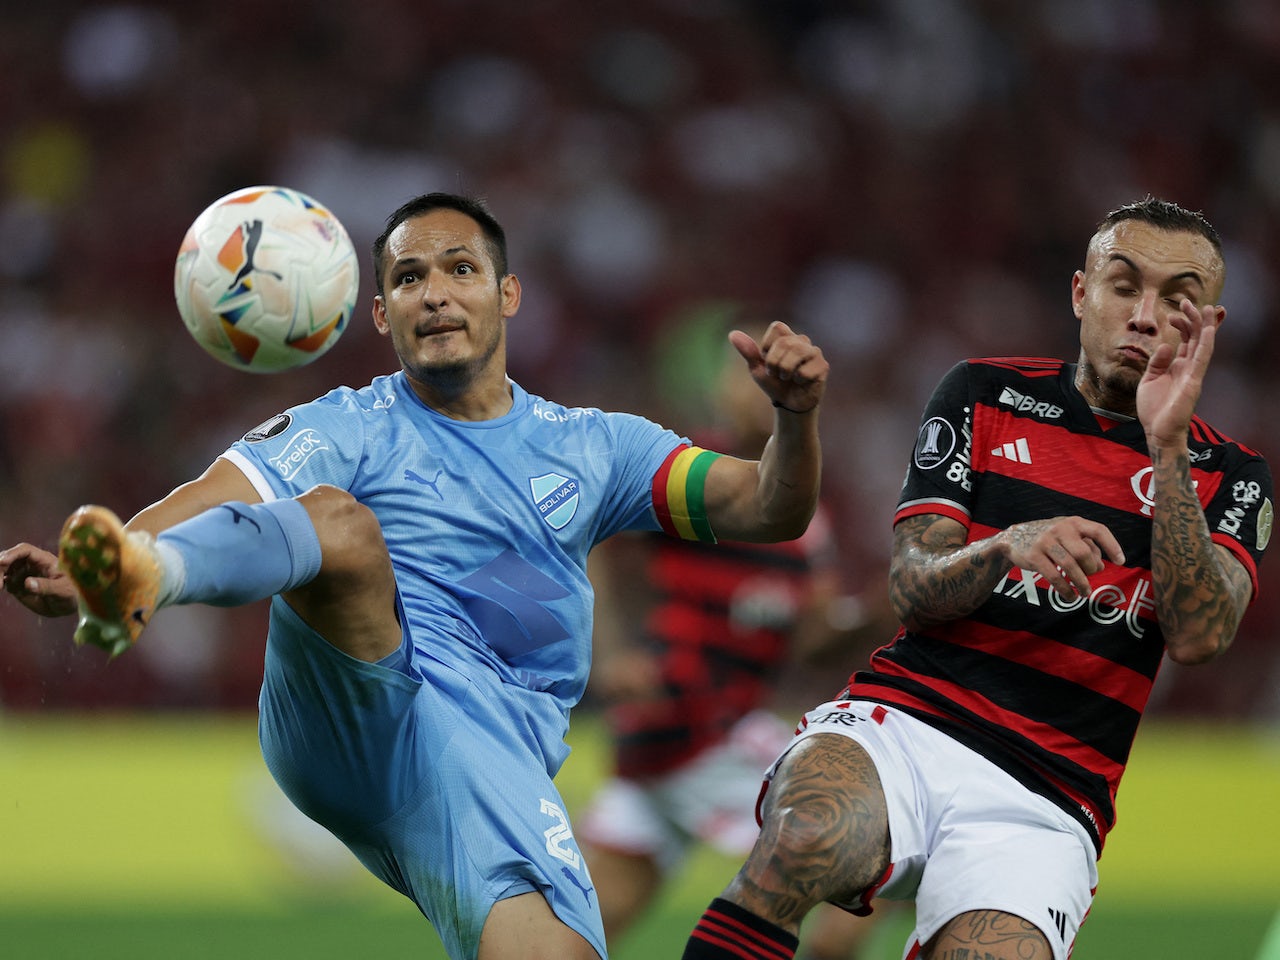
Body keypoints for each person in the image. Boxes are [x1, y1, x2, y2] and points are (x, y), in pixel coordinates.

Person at [0, 192, 829, 960]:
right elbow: (218, 495)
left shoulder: (597, 447)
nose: (433, 293)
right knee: (339, 525)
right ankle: (152, 580)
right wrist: (108, 566)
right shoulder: (351, 426)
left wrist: (794, 421)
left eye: (460, 269)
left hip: (484, 758)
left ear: (507, 294)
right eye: (408, 277)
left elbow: (767, 508)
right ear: (379, 313)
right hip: (353, 712)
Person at [679, 197, 1273, 960]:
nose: (1148, 314)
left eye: (1178, 300)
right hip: (909, 725)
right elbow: (913, 588)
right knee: (806, 837)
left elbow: (1199, 637)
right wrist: (1004, 548)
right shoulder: (983, 394)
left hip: (1050, 797)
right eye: (1125, 286)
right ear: (1080, 293)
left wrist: (1167, 448)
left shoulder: (1231, 474)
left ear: (1210, 325)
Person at [576, 313, 892, 960]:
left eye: (773, 376)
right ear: (719, 389)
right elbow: (597, 536)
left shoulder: (808, 517)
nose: (757, 389)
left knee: (572, 940)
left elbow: (810, 642)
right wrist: (614, 652)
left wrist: (879, 615)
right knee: (872, 845)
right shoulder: (692, 471)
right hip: (692, 724)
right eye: (745, 377)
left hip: (684, 742)